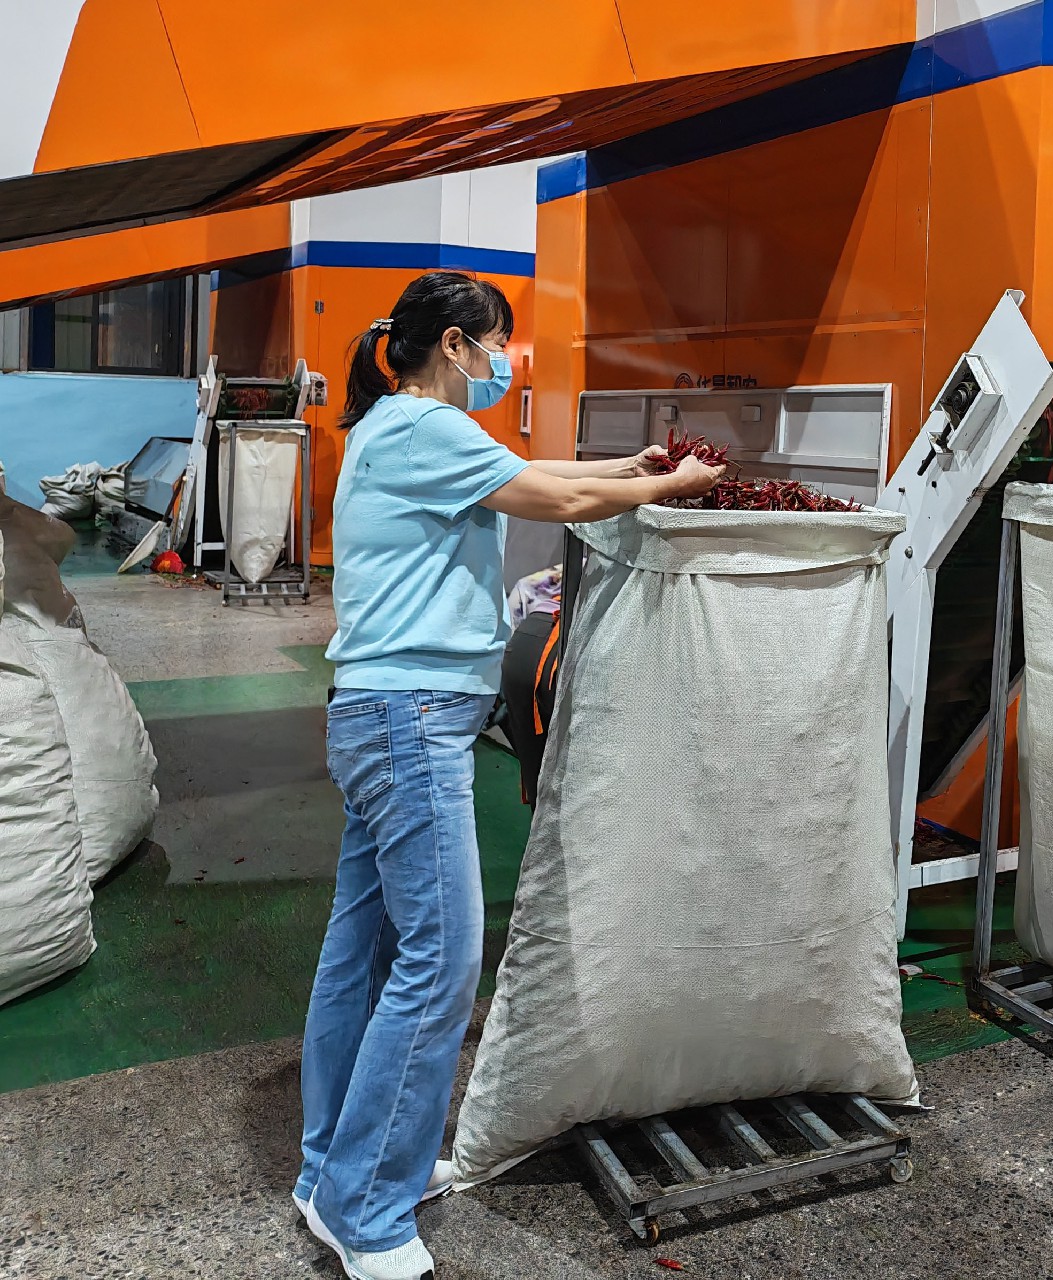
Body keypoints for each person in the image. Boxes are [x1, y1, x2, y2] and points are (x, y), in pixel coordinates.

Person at [294, 270, 722, 1280]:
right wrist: (667, 488)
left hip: (377, 713)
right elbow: (557, 497)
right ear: (455, 344)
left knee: (364, 949)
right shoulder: (424, 428)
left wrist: (627, 462)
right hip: (410, 723)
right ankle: (366, 1209)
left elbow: (533, 469)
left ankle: (332, 1171)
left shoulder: (394, 426)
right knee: (440, 960)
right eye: (494, 346)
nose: (501, 365)